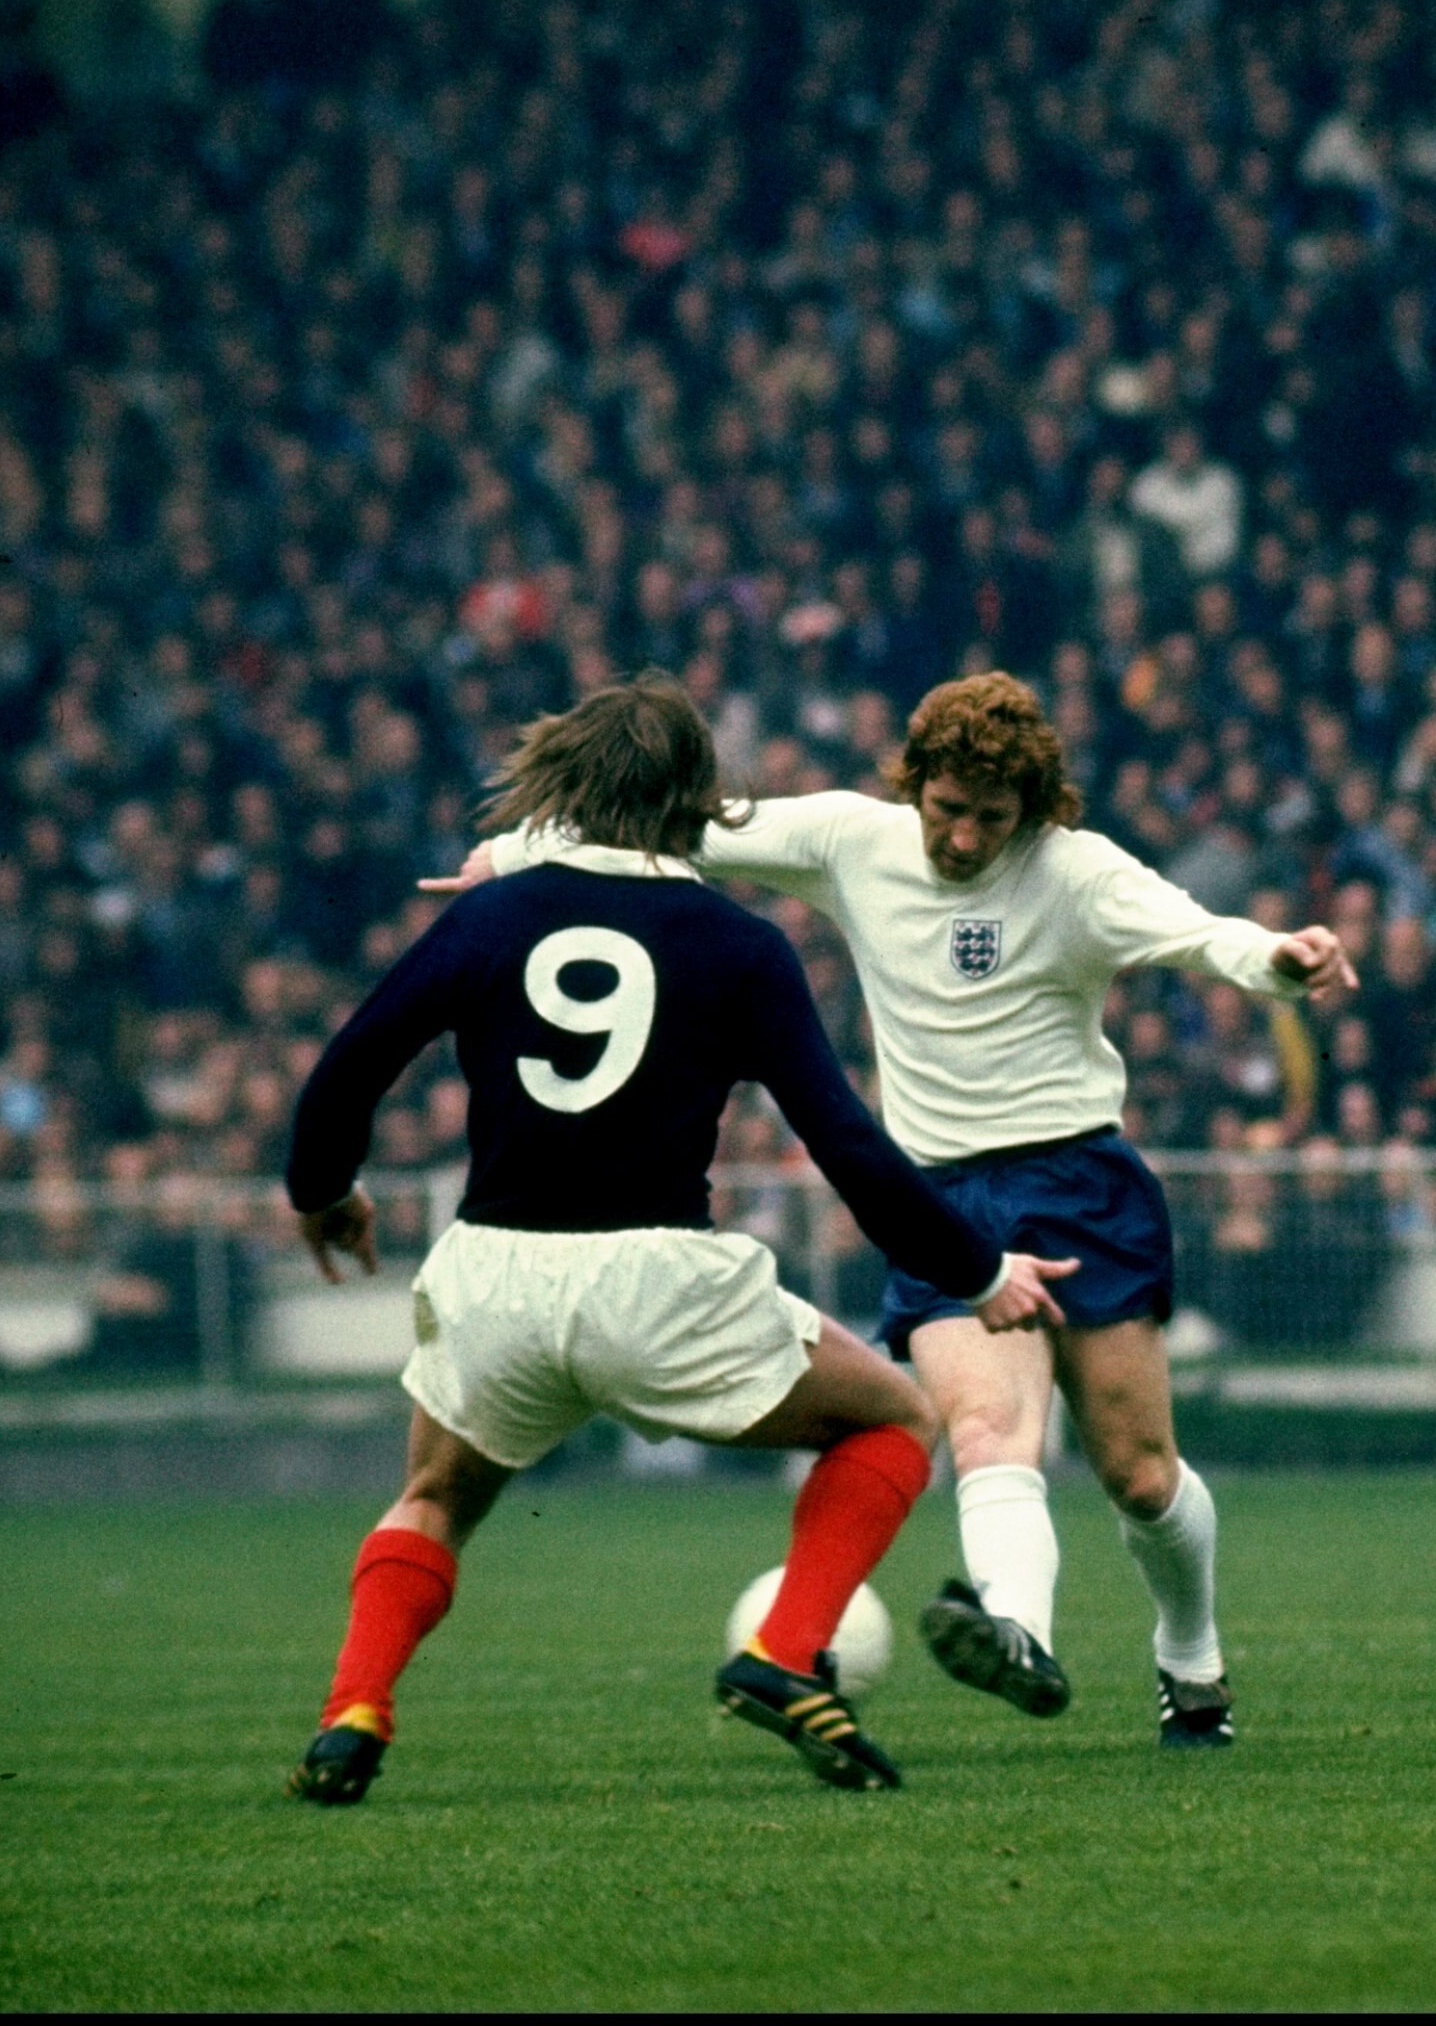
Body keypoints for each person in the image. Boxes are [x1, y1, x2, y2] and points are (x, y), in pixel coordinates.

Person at [435, 672, 1356, 1748]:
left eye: (991, 819)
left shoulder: (1078, 873)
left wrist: (1281, 961)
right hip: (943, 1200)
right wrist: (515, 855)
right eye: (946, 808)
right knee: (986, 1428)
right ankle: (1016, 1633)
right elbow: (679, 831)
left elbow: (1202, 935)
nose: (962, 837)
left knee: (1140, 1473)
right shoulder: (847, 838)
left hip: (1078, 1183)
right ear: (914, 783)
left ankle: (1190, 1659)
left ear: (1036, 809)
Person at [283, 675, 1073, 1806]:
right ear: (700, 802)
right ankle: (782, 1653)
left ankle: (353, 1711)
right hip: (659, 1280)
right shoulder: (737, 946)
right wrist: (978, 1269)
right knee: (894, 1418)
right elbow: (849, 1144)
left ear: (561, 786)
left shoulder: (488, 917)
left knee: (436, 1497)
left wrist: (325, 1190)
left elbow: (346, 1070)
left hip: (495, 1275)